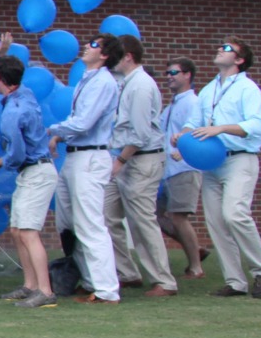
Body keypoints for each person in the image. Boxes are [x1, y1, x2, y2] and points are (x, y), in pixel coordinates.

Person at [179, 39, 261, 298]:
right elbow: (193, 122)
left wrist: (220, 128)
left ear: (240, 60)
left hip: (240, 158)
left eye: (228, 48)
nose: (220, 49)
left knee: (235, 214)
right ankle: (235, 282)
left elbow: (258, 124)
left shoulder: (247, 88)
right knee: (217, 222)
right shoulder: (209, 89)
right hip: (212, 164)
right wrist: (183, 136)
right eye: (221, 46)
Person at [48, 34, 124, 304]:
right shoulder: (87, 78)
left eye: (93, 44)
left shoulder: (103, 81)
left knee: (90, 224)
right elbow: (76, 122)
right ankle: (90, 280)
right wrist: (60, 135)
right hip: (76, 156)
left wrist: (52, 129)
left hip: (91, 157)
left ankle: (106, 289)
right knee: (69, 223)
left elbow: (83, 123)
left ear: (104, 54)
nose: (86, 46)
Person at [0, 56, 60, 308]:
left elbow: (16, 154)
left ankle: (45, 291)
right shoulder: (26, 94)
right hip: (34, 172)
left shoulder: (12, 112)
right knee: (18, 230)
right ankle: (30, 285)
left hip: (36, 172)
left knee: (28, 232)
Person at [104, 34, 172, 296]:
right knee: (107, 216)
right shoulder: (126, 83)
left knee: (142, 221)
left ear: (128, 57)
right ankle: (127, 272)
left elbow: (141, 133)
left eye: (115, 55)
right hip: (126, 157)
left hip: (141, 159)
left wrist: (120, 160)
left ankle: (164, 281)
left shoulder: (141, 85)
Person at [156, 57, 207, 280]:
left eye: (174, 72)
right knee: (153, 215)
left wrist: (185, 150)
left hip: (185, 167)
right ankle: (195, 250)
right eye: (167, 73)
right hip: (167, 169)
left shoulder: (193, 103)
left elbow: (197, 130)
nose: (169, 77)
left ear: (187, 75)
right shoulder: (171, 106)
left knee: (179, 217)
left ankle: (196, 267)